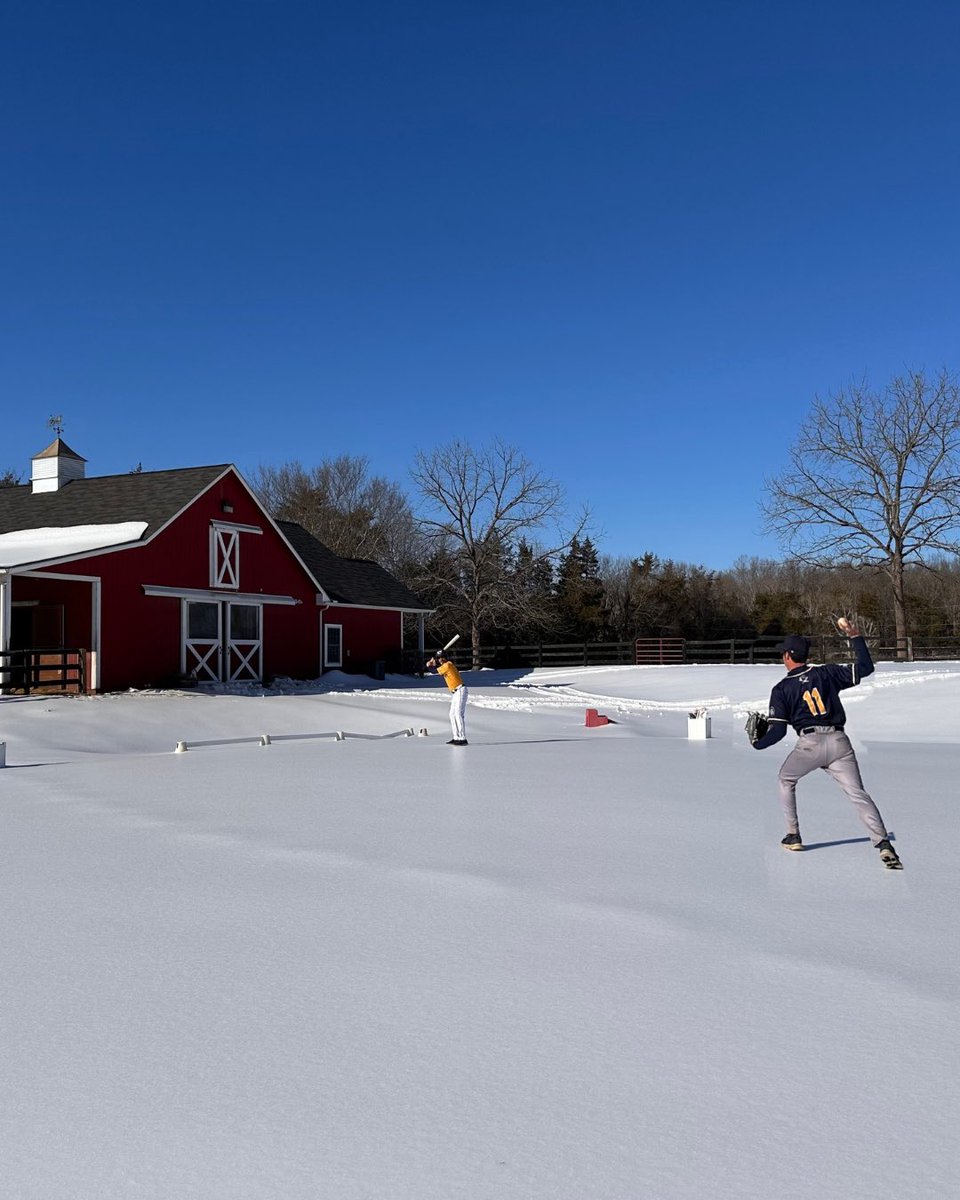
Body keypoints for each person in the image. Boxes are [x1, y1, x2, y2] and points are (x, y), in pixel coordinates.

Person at [748, 618, 902, 869]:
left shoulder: (782, 688)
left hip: (809, 744)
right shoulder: (826, 672)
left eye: (782, 653)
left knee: (786, 779)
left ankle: (793, 835)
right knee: (858, 794)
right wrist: (854, 636)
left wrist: (758, 744)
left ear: (788, 655)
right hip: (840, 743)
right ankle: (883, 842)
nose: (781, 657)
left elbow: (777, 732)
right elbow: (865, 667)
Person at [425, 649, 468, 745]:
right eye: (439, 658)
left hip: (460, 690)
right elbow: (437, 668)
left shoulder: (447, 665)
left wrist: (429, 665)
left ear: (446, 657)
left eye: (442, 657)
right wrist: (433, 663)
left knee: (458, 714)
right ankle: (456, 737)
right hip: (455, 693)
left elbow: (434, 671)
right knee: (452, 714)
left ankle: (463, 738)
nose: (440, 659)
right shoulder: (445, 665)